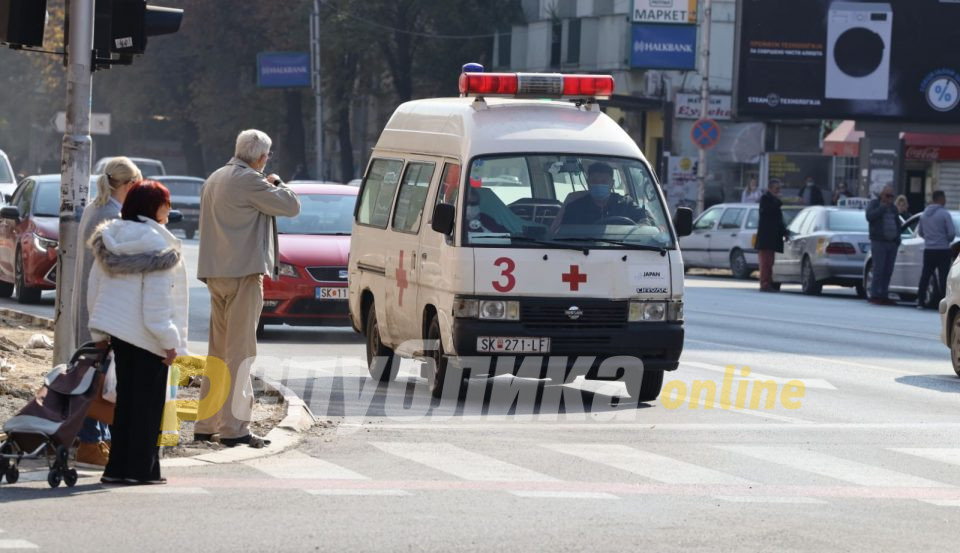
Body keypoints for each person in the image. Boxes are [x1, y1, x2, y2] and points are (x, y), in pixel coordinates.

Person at [195, 129, 301, 448]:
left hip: (215, 274)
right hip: (243, 274)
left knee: (217, 352)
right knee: (240, 353)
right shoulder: (250, 180)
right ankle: (234, 428)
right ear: (261, 157)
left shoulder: (214, 178)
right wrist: (278, 183)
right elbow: (291, 205)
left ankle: (206, 422)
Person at [87, 180, 188, 485]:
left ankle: (116, 468)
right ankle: (140, 471)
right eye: (165, 203)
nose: (169, 209)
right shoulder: (158, 246)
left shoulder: (111, 236)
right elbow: (156, 307)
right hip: (147, 337)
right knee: (147, 408)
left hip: (118, 332)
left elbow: (94, 289)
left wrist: (100, 333)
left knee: (126, 404)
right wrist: (171, 343)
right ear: (154, 207)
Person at [72, 156, 142, 467]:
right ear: (128, 185)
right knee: (100, 382)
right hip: (102, 310)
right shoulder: (113, 217)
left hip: (89, 308)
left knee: (94, 376)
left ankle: (96, 440)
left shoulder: (94, 208)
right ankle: (90, 442)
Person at [558, 162, 647, 225]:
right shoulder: (575, 208)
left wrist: (643, 225)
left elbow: (646, 220)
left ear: (612, 183)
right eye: (594, 181)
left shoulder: (626, 203)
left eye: (604, 181)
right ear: (588, 183)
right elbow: (564, 236)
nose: (599, 184)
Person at [916, 190, 956, 309]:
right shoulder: (944, 214)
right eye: (944, 198)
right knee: (944, 277)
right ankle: (944, 302)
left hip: (929, 250)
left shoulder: (924, 214)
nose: (946, 200)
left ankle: (920, 301)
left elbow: (921, 232)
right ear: (940, 199)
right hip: (943, 249)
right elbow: (951, 233)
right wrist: (945, 240)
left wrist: (930, 239)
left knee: (925, 276)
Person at [865, 185, 902, 305]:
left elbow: (897, 223)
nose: (890, 198)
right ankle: (875, 294)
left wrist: (897, 239)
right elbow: (870, 216)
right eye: (887, 195)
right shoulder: (875, 204)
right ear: (882, 195)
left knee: (888, 270)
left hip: (891, 243)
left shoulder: (893, 208)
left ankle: (884, 294)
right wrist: (882, 207)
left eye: (892, 196)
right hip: (879, 242)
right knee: (879, 269)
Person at [756, 180, 789, 292]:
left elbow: (779, 220)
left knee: (770, 262)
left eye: (779, 189)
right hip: (766, 237)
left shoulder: (774, 201)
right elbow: (768, 212)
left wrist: (785, 232)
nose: (778, 191)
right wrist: (777, 200)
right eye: (776, 188)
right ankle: (764, 284)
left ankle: (769, 282)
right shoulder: (765, 199)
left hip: (773, 238)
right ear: (770, 188)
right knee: (765, 263)